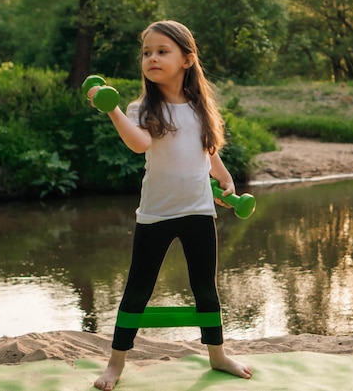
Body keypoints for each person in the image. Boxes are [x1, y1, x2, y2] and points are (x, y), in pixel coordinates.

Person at [87, 20, 253, 391]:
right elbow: (140, 144)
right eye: (147, 53)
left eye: (162, 51)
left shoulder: (199, 108)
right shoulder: (140, 107)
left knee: (204, 287)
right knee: (138, 288)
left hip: (198, 211)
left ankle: (217, 355)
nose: (152, 58)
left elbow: (207, 152)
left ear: (187, 59)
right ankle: (115, 365)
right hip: (156, 214)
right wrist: (111, 109)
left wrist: (225, 180)